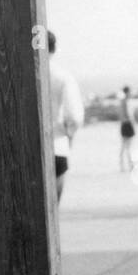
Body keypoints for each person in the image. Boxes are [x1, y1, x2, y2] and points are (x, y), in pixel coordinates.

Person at [47, 32, 84, 200]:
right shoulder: (63, 77)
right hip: (57, 146)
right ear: (54, 48)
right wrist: (69, 136)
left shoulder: (19, 75)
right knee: (52, 208)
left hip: (24, 150)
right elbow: (74, 116)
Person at [118, 86, 136, 172]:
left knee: (124, 146)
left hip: (123, 125)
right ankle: (130, 165)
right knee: (128, 147)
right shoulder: (127, 102)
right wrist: (134, 125)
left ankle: (122, 165)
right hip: (128, 125)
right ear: (127, 92)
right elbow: (129, 115)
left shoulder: (122, 102)